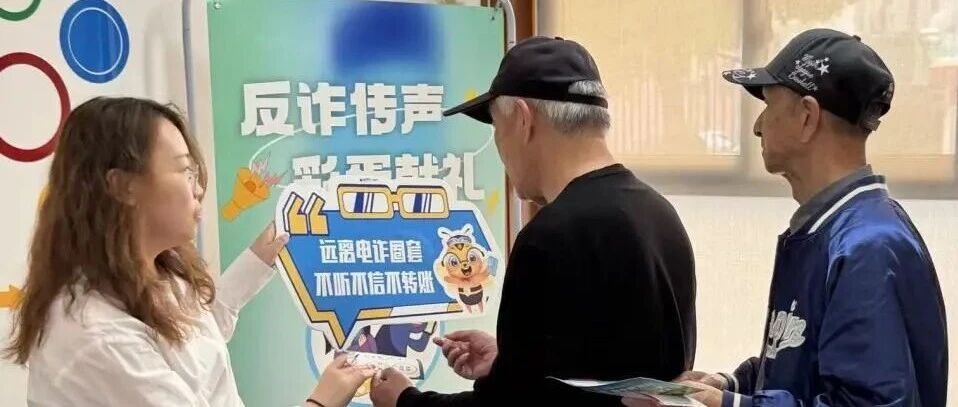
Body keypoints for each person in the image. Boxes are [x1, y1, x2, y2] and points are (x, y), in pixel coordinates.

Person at [369, 36, 697, 407]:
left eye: (496, 126)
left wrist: (404, 400)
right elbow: (606, 368)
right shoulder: (659, 214)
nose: (498, 144)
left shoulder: (551, 236)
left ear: (524, 120)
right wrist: (511, 362)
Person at [2, 97, 375, 407]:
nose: (198, 189)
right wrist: (322, 401)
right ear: (123, 186)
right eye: (184, 171)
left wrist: (259, 259)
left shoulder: (157, 274)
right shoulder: (96, 335)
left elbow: (195, 347)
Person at [659, 28, 948, 407]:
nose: (758, 126)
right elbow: (804, 362)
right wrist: (730, 383)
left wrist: (731, 405)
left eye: (769, 105)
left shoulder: (867, 247)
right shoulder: (835, 230)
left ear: (807, 118)